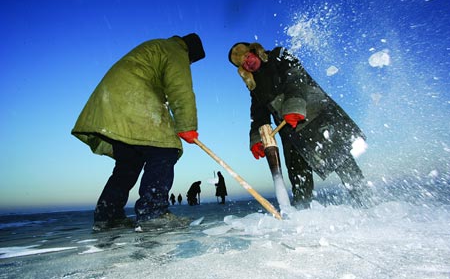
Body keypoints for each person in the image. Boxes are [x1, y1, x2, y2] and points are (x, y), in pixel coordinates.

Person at [72, 33, 205, 231]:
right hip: (134, 97)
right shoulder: (176, 51)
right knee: (165, 150)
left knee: (129, 163)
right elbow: (180, 87)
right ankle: (153, 212)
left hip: (114, 101)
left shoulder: (157, 47)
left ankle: (108, 216)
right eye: (191, 61)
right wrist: (187, 125)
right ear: (190, 53)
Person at [228, 42, 371, 208]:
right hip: (290, 132)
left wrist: (293, 106)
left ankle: (366, 202)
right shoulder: (255, 86)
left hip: (316, 118)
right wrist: (257, 138)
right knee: (298, 176)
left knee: (341, 161)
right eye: (243, 64)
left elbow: (296, 78)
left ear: (255, 51)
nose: (248, 63)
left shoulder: (279, 55)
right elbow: (258, 113)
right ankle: (302, 215)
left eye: (247, 57)